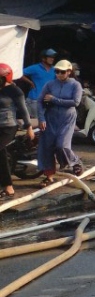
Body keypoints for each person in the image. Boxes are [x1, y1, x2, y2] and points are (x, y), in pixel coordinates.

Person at [36, 60, 83, 183]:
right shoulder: (50, 84)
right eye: (56, 71)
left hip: (67, 119)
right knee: (47, 146)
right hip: (50, 118)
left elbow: (75, 102)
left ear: (69, 72)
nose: (59, 74)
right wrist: (41, 118)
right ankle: (49, 176)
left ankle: (75, 161)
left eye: (62, 72)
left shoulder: (75, 85)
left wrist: (54, 99)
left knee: (62, 145)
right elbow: (40, 101)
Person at [0, 64, 34, 199]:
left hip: (8, 127)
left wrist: (29, 128)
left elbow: (23, 110)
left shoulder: (15, 91)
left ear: (6, 78)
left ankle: (8, 187)